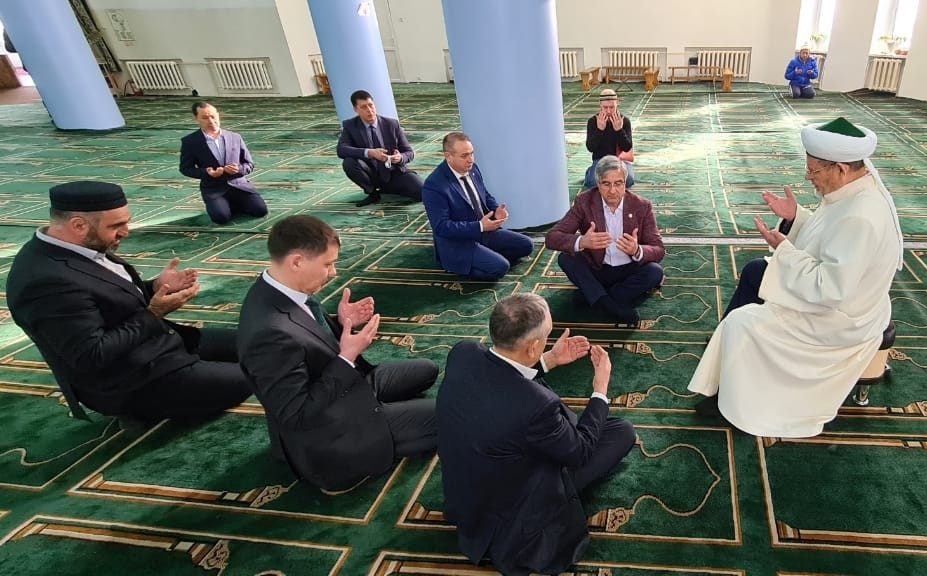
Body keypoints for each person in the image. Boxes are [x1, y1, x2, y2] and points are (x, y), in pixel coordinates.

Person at [688, 117, 904, 438]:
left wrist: (785, 250)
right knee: (755, 272)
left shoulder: (861, 215)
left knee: (741, 324)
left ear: (841, 169)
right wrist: (796, 218)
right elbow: (830, 238)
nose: (809, 178)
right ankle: (728, 353)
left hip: (839, 318)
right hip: (838, 297)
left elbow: (830, 289)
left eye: (814, 172)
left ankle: (731, 399)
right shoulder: (854, 191)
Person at [5, 181, 251, 421]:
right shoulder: (46, 282)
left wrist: (155, 287)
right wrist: (154, 313)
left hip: (160, 344)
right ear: (78, 225)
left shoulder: (78, 246)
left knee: (263, 342)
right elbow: (91, 355)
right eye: (117, 225)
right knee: (260, 374)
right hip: (134, 381)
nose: (126, 231)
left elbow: (106, 300)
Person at [437, 293, 636, 576]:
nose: (549, 339)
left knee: (583, 423)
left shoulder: (463, 352)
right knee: (622, 432)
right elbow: (579, 452)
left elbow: (500, 380)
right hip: (513, 509)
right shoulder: (536, 406)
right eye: (547, 335)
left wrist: (549, 359)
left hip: (469, 489)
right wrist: (600, 390)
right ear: (532, 347)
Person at [236, 215, 437, 492]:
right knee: (450, 415)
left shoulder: (279, 288)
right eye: (327, 264)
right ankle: (373, 442)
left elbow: (306, 339)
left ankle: (385, 413)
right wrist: (346, 358)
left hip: (347, 389)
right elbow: (298, 414)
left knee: (426, 370)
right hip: (331, 432)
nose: (333, 273)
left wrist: (340, 323)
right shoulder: (268, 335)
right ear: (297, 261)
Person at [546, 155, 665, 325]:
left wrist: (637, 250)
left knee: (655, 272)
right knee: (566, 259)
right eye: (606, 184)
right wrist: (582, 241)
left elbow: (658, 249)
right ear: (597, 183)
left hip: (627, 270)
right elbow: (552, 237)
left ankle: (594, 296)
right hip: (597, 269)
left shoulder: (641, 206)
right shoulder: (584, 202)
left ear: (625, 183)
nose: (612, 191)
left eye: (618, 183)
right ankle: (609, 304)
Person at [421, 132, 534, 281]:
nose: (470, 160)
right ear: (448, 156)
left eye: (472, 153)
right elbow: (441, 227)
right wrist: (479, 226)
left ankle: (485, 254)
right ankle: (454, 263)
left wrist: (496, 211)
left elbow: (484, 195)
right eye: (464, 156)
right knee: (500, 268)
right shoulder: (434, 185)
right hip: (459, 241)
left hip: (484, 232)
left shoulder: (473, 169)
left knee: (527, 245)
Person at [179, 102, 268, 224]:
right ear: (196, 119)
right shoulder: (190, 141)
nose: (211, 121)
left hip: (239, 185)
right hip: (214, 189)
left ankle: (231, 204)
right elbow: (185, 168)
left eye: (213, 116)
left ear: (218, 115)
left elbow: (249, 164)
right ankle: (223, 205)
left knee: (261, 211)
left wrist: (238, 169)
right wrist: (207, 172)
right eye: (205, 118)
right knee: (221, 218)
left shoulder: (235, 137)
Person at [336, 90, 422, 207]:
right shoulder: (350, 125)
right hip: (370, 173)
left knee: (422, 192)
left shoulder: (391, 124)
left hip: (394, 172)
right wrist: (369, 153)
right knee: (349, 162)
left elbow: (409, 152)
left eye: (371, 105)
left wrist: (400, 157)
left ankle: (388, 188)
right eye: (363, 107)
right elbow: (341, 150)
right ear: (356, 109)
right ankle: (372, 193)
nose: (369, 110)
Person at [583, 88, 635, 189]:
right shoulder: (593, 121)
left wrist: (619, 130)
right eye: (605, 107)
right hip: (600, 161)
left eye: (612, 107)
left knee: (629, 181)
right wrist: (600, 130)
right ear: (600, 105)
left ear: (617, 103)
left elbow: (627, 147)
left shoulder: (624, 121)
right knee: (592, 182)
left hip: (620, 160)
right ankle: (590, 171)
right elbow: (590, 148)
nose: (608, 111)